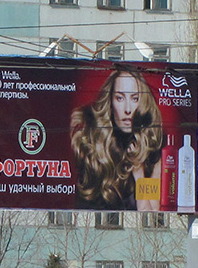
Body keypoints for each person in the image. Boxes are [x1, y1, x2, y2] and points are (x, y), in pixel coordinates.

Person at [70, 67, 165, 211]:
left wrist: (139, 175)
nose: (128, 109)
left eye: (134, 99)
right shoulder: (92, 148)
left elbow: (150, 215)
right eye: (120, 98)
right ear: (110, 101)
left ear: (143, 103)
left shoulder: (152, 153)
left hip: (139, 232)